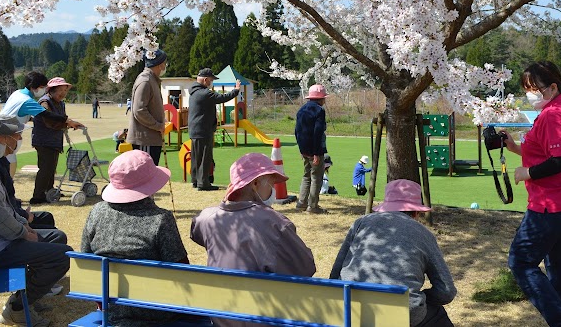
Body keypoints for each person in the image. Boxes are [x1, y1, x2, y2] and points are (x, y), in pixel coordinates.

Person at [0, 113, 72, 327]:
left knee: (56, 237)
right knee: (62, 256)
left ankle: (26, 300)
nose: (9, 142)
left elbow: (2, 208)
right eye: (3, 138)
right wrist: (24, 232)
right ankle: (17, 309)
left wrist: (23, 226)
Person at [500, 61, 561, 327]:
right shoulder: (560, 109)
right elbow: (545, 153)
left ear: (552, 87)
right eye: (527, 89)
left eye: (534, 88)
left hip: (549, 205)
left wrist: (527, 173)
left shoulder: (552, 115)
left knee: (521, 262)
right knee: (560, 268)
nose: (530, 93)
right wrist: (513, 147)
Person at [191, 153, 316, 327]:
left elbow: (196, 230)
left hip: (220, 315)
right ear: (256, 184)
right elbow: (305, 267)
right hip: (260, 318)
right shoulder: (274, 222)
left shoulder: (208, 217)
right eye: (270, 183)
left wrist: (227, 201)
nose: (273, 189)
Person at [81, 150, 190, 326]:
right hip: (157, 309)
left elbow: (85, 258)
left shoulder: (97, 212)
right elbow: (182, 270)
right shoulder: (161, 219)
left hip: (108, 305)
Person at [331, 179, 457, 326]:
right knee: (436, 314)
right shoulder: (423, 233)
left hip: (351, 309)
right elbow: (446, 291)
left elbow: (335, 273)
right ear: (416, 212)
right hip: (401, 313)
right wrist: (423, 297)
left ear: (385, 206)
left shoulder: (360, 223)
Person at [0, 71, 81, 178]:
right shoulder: (27, 101)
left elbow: (23, 114)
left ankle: (6, 191)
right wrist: (68, 121)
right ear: (34, 87)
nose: (44, 90)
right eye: (43, 87)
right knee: (9, 166)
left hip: (1, 132)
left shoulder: (17, 93)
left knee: (3, 165)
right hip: (7, 136)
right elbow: (47, 115)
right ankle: (7, 192)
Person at [30, 77, 84, 205]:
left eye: (65, 90)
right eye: (60, 90)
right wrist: (68, 124)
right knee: (45, 168)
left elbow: (60, 120)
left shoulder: (60, 103)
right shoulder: (45, 102)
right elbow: (50, 122)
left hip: (53, 140)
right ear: (51, 90)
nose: (63, 93)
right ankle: (38, 196)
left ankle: (49, 191)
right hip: (43, 140)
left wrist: (69, 124)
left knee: (51, 167)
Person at [188, 68, 241, 191]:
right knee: (205, 157)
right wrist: (236, 90)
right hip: (203, 129)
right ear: (205, 80)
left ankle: (195, 180)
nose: (211, 83)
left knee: (196, 157)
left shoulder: (194, 92)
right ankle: (204, 183)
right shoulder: (205, 93)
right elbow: (222, 97)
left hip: (195, 129)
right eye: (211, 80)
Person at [127, 49, 167, 166]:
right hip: (145, 139)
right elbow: (139, 110)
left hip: (152, 138)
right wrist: (157, 125)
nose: (165, 66)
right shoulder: (145, 81)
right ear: (159, 65)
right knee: (145, 176)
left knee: (151, 175)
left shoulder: (152, 79)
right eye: (164, 63)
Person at [294, 83, 328, 214]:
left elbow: (297, 131)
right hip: (315, 150)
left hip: (304, 149)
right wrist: (317, 153)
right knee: (316, 177)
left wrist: (301, 149)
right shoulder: (319, 111)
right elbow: (317, 133)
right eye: (324, 97)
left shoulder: (301, 110)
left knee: (306, 176)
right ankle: (313, 206)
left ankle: (301, 203)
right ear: (320, 99)